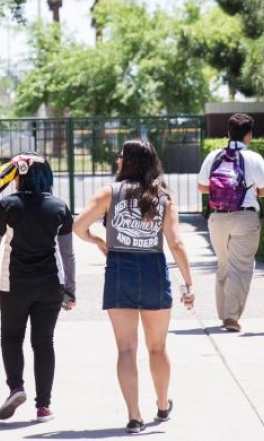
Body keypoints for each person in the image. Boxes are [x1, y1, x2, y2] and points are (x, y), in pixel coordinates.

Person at [72, 139, 196, 435]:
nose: (117, 160)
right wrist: (188, 283)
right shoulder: (163, 197)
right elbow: (176, 243)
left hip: (119, 269)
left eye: (120, 156)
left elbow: (77, 227)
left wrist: (99, 241)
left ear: (127, 161)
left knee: (126, 348)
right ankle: (163, 405)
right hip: (153, 268)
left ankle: (134, 416)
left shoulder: (109, 193)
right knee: (157, 347)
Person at [0, 153, 76, 424]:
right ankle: (43, 407)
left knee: (11, 337)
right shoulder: (59, 206)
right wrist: (70, 289)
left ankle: (16, 388)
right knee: (44, 342)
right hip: (50, 285)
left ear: (20, 176)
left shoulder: (8, 204)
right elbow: (68, 254)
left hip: (14, 285)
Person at [196, 113, 264, 333]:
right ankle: (231, 316)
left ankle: (223, 314)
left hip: (218, 217)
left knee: (223, 266)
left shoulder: (214, 156)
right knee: (241, 268)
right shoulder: (254, 158)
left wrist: (222, 190)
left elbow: (201, 187)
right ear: (249, 135)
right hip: (245, 217)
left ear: (228, 133)